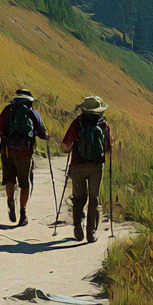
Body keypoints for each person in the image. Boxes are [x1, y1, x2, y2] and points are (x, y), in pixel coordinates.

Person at [0, 88, 48, 226]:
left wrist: (6, 135)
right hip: (25, 152)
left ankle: (10, 200)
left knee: (10, 179)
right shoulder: (32, 112)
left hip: (8, 150)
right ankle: (23, 212)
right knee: (24, 183)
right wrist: (45, 135)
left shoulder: (8, 110)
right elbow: (42, 133)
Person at [61, 95, 113, 242]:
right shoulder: (104, 124)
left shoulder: (77, 123)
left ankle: (78, 227)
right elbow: (108, 147)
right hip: (96, 166)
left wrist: (69, 150)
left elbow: (65, 146)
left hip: (77, 165)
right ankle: (91, 232)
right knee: (93, 198)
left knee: (78, 197)